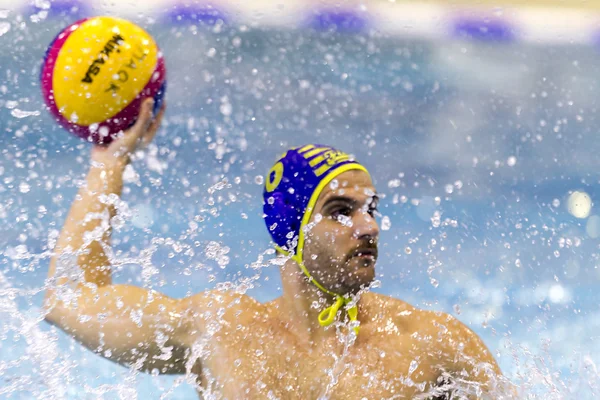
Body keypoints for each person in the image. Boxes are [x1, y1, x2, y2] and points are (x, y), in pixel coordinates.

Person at [44, 98, 510, 399]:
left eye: (371, 208)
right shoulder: (220, 333)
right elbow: (68, 299)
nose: (368, 226)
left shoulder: (430, 344)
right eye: (340, 210)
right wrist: (109, 163)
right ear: (291, 234)